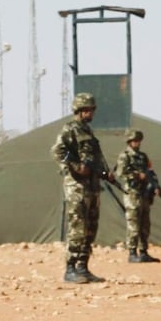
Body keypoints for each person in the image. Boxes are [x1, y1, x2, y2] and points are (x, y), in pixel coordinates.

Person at [52, 92, 116, 283]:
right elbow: (58, 151)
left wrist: (105, 173)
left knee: (90, 228)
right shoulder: (70, 129)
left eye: (92, 109)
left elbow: (96, 158)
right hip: (77, 187)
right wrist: (75, 167)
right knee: (78, 227)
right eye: (88, 109)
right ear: (79, 110)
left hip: (92, 187)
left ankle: (83, 266)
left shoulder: (87, 131)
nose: (91, 112)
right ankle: (70, 269)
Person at [114, 129, 160, 263]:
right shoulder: (125, 156)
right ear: (129, 141)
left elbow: (151, 172)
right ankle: (132, 252)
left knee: (145, 224)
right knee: (133, 223)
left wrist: (155, 186)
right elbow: (120, 173)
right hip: (132, 194)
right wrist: (136, 175)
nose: (137, 143)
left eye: (138, 140)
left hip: (144, 193)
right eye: (134, 141)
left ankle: (144, 251)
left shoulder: (143, 156)